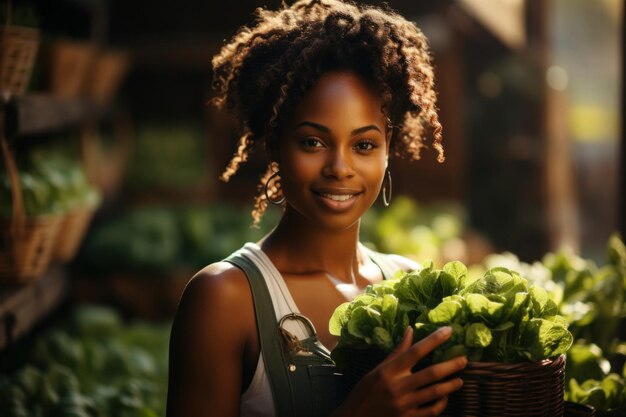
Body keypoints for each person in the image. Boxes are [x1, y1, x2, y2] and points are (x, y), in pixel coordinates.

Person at [166, 1, 467, 416]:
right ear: (274, 143)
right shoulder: (224, 299)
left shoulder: (410, 288)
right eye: (313, 141)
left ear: (387, 151)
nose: (339, 168)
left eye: (364, 145)